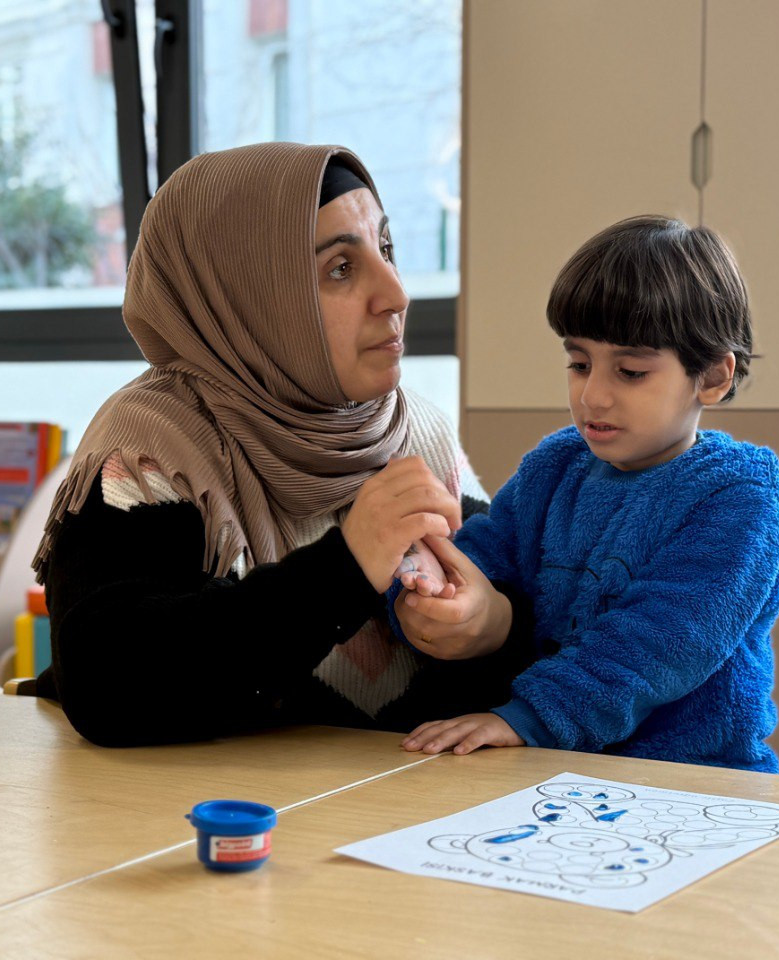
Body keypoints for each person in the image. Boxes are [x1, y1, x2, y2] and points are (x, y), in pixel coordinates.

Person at [32, 143, 535, 747]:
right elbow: (107, 683)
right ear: (247, 298)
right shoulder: (151, 449)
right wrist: (345, 568)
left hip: (392, 801)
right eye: (340, 269)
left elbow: (553, 633)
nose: (396, 294)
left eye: (386, 249)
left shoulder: (416, 432)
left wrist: (494, 626)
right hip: (205, 806)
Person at [394, 215, 779, 772]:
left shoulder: (738, 497)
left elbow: (660, 643)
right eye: (580, 364)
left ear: (711, 377)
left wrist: (528, 717)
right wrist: (431, 584)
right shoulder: (556, 465)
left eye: (630, 372)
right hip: (560, 770)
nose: (593, 396)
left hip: (694, 781)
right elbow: (488, 554)